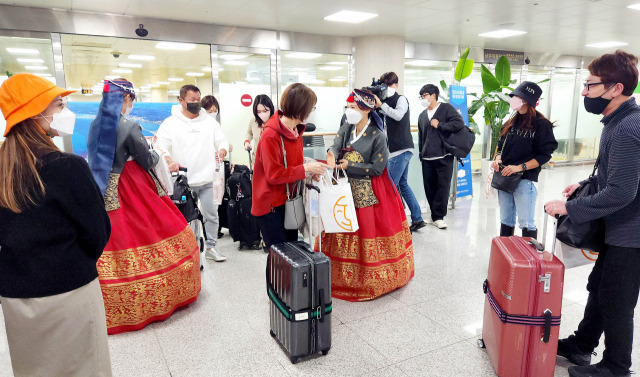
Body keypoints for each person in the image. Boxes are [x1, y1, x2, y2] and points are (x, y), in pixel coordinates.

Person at [0, 73, 112, 376]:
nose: (65, 112)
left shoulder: (4, 168)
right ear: (38, 113)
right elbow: (97, 232)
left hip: (16, 299)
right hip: (69, 293)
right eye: (60, 104)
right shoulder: (67, 167)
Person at [545, 50, 640, 377]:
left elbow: (622, 192)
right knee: (599, 288)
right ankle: (582, 346)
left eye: (590, 85)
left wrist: (569, 207)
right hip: (622, 227)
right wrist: (585, 183)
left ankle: (616, 367)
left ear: (616, 89)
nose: (584, 92)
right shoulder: (618, 121)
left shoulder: (628, 127)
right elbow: (616, 175)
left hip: (633, 234)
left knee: (616, 299)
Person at [87, 79, 201, 335]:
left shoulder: (96, 123)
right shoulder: (128, 126)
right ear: (125, 99)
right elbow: (147, 158)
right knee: (157, 229)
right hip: (132, 188)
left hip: (105, 188)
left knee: (113, 240)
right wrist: (157, 151)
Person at [323, 89, 415, 301]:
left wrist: (350, 164)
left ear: (366, 110)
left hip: (369, 192)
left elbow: (376, 168)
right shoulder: (346, 127)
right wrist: (331, 153)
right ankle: (339, 276)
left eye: (353, 108)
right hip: (344, 190)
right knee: (341, 225)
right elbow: (336, 144)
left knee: (366, 231)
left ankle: (367, 279)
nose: (349, 111)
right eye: (348, 107)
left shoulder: (378, 136)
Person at [251, 83, 328, 252]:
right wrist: (306, 169)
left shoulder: (295, 131)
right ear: (301, 108)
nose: (311, 112)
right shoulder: (271, 135)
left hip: (289, 201)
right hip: (271, 206)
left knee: (291, 255)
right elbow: (274, 175)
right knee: (279, 258)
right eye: (311, 107)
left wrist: (310, 172)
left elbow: (295, 164)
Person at [157, 85, 229, 262]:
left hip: (208, 178)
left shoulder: (209, 122)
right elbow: (160, 147)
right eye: (192, 101)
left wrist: (222, 151)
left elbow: (222, 140)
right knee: (183, 219)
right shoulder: (170, 123)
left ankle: (211, 247)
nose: (196, 103)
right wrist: (169, 161)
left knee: (212, 215)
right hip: (183, 180)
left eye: (198, 100)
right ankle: (185, 251)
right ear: (181, 101)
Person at [492, 81, 557, 239]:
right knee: (506, 219)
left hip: (525, 179)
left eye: (517, 96)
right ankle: (506, 257)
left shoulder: (541, 125)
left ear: (527, 100)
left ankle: (529, 258)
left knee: (526, 222)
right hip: (504, 177)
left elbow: (544, 155)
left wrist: (519, 167)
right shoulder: (510, 122)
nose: (513, 98)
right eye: (513, 95)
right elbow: (500, 146)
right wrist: (497, 158)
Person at [374, 72, 425, 232]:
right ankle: (417, 218)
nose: (388, 89)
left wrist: (381, 105)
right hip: (397, 150)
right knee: (402, 184)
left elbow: (398, 115)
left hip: (401, 149)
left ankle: (395, 223)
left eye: (390, 85)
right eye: (385, 86)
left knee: (390, 186)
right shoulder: (386, 101)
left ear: (396, 85)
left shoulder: (400, 99)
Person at [417, 84, 467, 229]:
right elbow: (421, 136)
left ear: (433, 95)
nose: (422, 98)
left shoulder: (446, 108)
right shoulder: (422, 115)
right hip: (427, 157)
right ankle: (433, 215)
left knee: (443, 187)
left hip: (443, 155)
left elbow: (459, 123)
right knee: (429, 187)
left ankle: (439, 217)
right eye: (421, 96)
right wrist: (421, 153)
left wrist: (441, 125)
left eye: (424, 95)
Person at [244, 94, 274, 160]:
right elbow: (249, 133)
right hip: (257, 159)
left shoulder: (276, 123)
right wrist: (247, 142)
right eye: (259, 112)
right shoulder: (254, 121)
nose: (262, 114)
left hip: (272, 160)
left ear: (271, 109)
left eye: (265, 111)